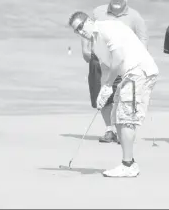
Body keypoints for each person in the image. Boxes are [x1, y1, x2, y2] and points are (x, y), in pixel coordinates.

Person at [68, 11, 159, 177]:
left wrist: (109, 85)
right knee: (117, 115)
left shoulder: (106, 28)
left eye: (81, 26)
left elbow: (118, 58)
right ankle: (129, 163)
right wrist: (103, 90)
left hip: (140, 71)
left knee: (126, 117)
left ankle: (128, 165)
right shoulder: (95, 43)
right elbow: (109, 66)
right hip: (129, 74)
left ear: (89, 21)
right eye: (76, 30)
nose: (80, 32)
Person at [81, 0, 148, 143]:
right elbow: (85, 29)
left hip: (124, 62)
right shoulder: (98, 12)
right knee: (103, 96)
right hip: (100, 60)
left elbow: (143, 38)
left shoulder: (135, 16)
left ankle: (122, 131)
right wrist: (85, 49)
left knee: (123, 98)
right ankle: (109, 130)